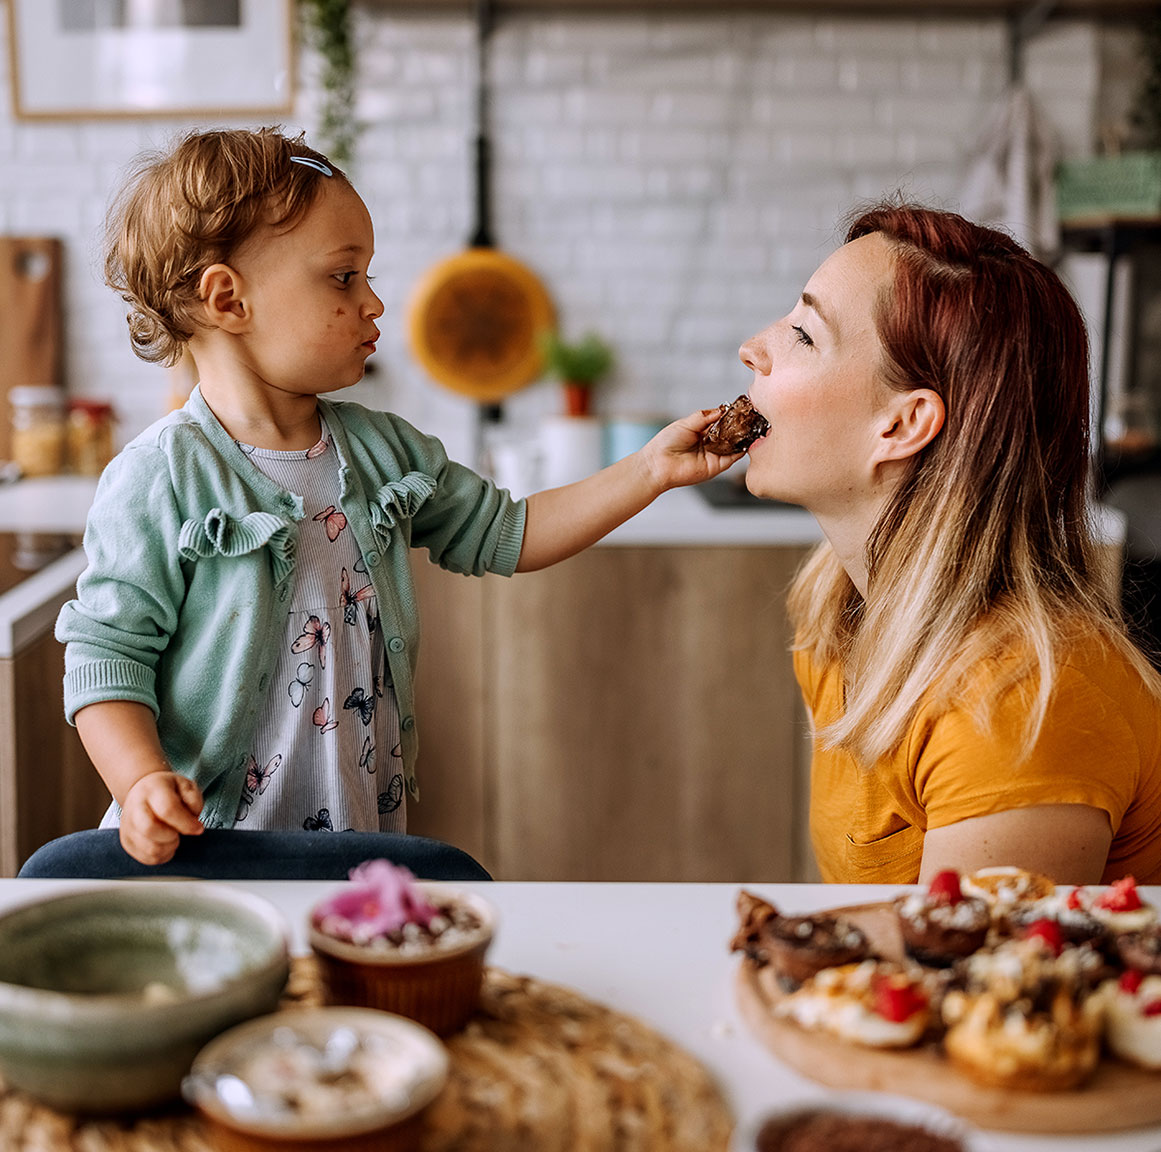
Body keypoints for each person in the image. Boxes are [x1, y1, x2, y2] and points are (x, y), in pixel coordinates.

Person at [57, 127, 741, 867]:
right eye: (344, 278)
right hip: (206, 849)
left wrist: (649, 471)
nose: (375, 303)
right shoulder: (160, 477)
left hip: (357, 837)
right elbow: (105, 658)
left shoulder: (385, 452)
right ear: (229, 299)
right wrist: (141, 783)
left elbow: (508, 531)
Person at [738, 201, 1161, 887]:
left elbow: (982, 986)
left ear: (902, 425)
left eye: (804, 336)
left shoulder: (1018, 704)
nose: (753, 346)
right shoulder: (838, 614)